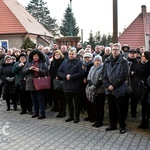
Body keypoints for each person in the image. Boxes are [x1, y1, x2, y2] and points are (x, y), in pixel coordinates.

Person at [102, 43, 128, 134]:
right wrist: (108, 85)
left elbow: (123, 76)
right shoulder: (107, 61)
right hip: (109, 89)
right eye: (113, 49)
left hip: (119, 89)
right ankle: (112, 125)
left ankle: (122, 126)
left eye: (116, 49)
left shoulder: (123, 61)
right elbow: (103, 75)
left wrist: (114, 85)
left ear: (120, 50)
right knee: (111, 108)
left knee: (121, 109)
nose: (114, 51)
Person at [57, 47, 85, 123]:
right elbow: (59, 71)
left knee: (76, 103)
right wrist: (65, 76)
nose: (71, 55)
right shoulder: (64, 62)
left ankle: (77, 116)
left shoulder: (79, 62)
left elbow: (82, 73)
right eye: (70, 54)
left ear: (75, 54)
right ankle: (71, 116)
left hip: (76, 86)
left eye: (72, 54)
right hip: (67, 86)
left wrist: (72, 77)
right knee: (69, 103)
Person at [23, 50, 49, 119]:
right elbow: (24, 71)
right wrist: (29, 69)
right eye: (34, 56)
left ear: (39, 56)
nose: (35, 57)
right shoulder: (29, 62)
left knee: (40, 99)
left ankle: (42, 113)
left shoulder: (42, 63)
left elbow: (46, 72)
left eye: (37, 56)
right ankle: (36, 112)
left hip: (39, 82)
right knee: (34, 99)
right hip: (31, 82)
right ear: (32, 56)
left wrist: (39, 70)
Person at [87, 55, 106, 127]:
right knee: (94, 105)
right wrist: (91, 85)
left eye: (98, 61)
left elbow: (101, 79)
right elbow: (88, 77)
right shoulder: (92, 68)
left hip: (100, 90)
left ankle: (100, 121)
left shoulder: (103, 68)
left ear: (101, 61)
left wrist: (95, 86)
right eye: (96, 61)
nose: (97, 62)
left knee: (100, 106)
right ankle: (96, 119)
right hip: (92, 91)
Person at [136, 51, 150, 129]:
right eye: (141, 56)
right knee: (143, 106)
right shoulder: (139, 64)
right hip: (141, 88)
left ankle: (147, 121)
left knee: (148, 106)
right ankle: (143, 122)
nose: (142, 57)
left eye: (144, 56)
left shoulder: (149, 65)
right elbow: (137, 74)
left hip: (147, 88)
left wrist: (144, 82)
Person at [49, 50, 66, 118]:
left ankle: (63, 111)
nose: (57, 56)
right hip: (55, 81)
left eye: (58, 54)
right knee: (57, 97)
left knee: (62, 97)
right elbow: (50, 71)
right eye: (55, 55)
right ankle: (60, 111)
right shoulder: (53, 62)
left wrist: (59, 76)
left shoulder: (63, 62)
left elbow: (64, 71)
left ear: (60, 55)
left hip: (61, 81)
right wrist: (54, 76)